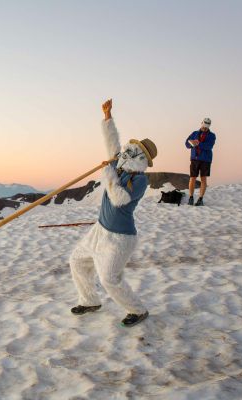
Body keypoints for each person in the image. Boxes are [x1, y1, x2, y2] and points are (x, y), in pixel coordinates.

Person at [69, 99, 157, 327]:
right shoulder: (118, 164)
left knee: (109, 278)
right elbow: (112, 142)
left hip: (120, 239)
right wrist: (107, 117)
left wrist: (108, 175)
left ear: (142, 159)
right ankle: (89, 301)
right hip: (100, 230)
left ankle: (137, 310)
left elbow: (119, 199)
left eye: (137, 150)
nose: (129, 150)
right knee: (77, 261)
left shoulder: (140, 180)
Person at [185, 118, 216, 206]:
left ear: (209, 126)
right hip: (195, 158)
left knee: (203, 179)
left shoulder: (212, 135)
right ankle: (191, 198)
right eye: (203, 127)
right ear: (201, 124)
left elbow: (209, 146)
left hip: (205, 160)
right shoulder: (194, 133)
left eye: (206, 128)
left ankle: (200, 199)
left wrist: (198, 143)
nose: (204, 129)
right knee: (192, 178)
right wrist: (191, 143)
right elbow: (186, 144)